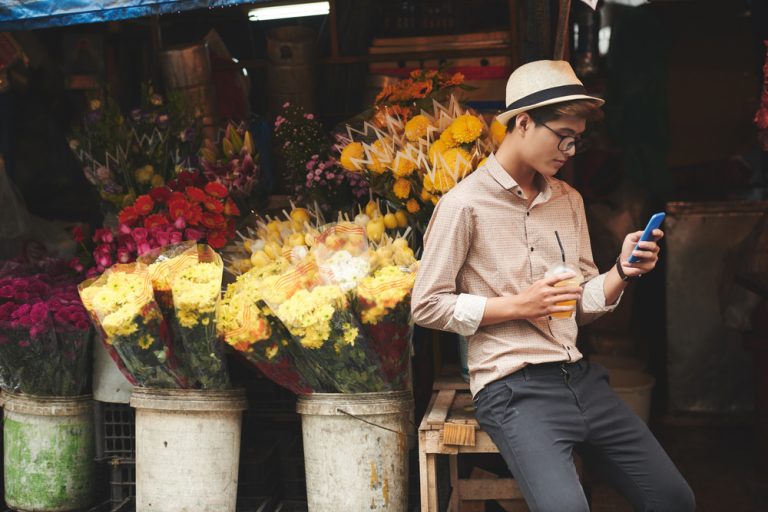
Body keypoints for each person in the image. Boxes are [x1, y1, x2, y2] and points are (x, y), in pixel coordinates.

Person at [411, 60, 695, 512]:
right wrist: (518, 306)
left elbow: (581, 301)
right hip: (512, 388)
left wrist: (621, 271)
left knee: (674, 498)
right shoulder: (463, 205)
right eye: (562, 135)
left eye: (577, 140)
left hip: (581, 378)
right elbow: (425, 305)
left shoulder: (568, 200)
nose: (571, 149)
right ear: (523, 122)